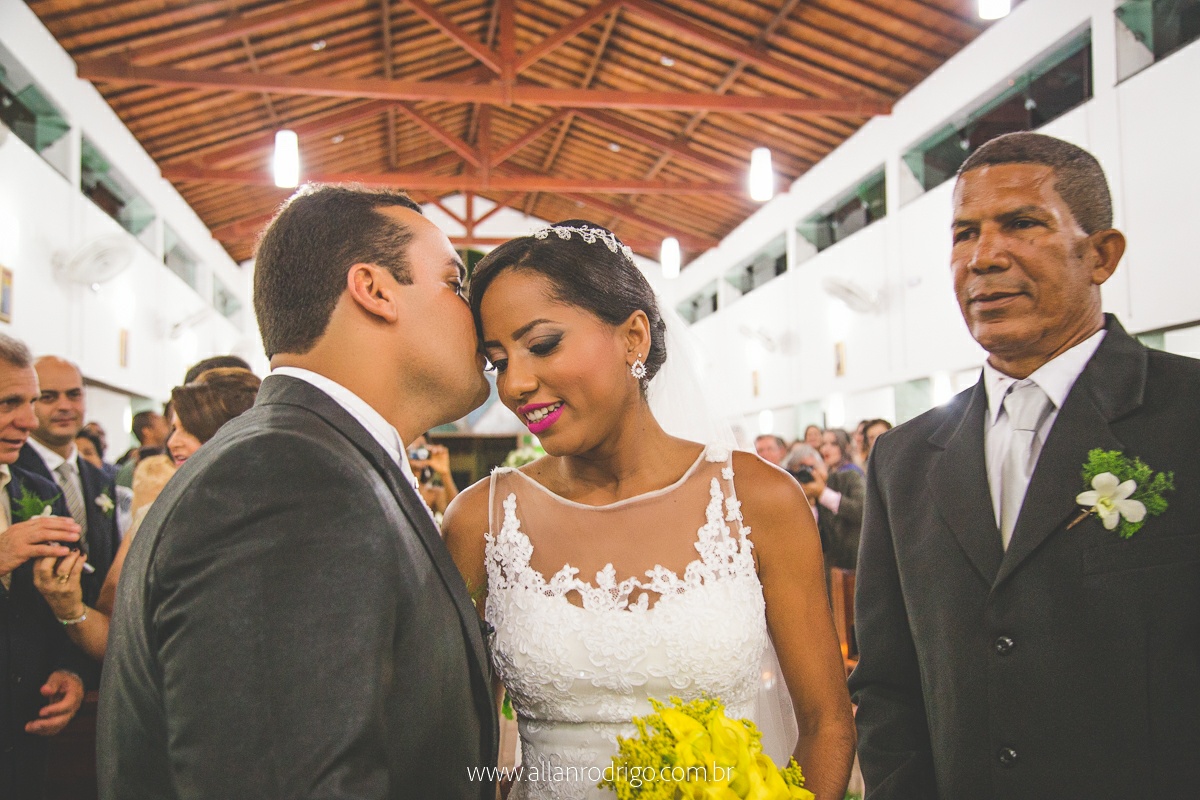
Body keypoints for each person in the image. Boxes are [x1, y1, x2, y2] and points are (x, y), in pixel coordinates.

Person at [98, 185, 498, 799]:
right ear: (374, 290)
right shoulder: (285, 479)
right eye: (454, 284)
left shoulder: (318, 458)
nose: (479, 317)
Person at [444, 221, 855, 800]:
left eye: (541, 346)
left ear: (633, 337)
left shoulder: (758, 499)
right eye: (497, 361)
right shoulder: (479, 521)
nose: (515, 383)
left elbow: (827, 724)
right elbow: (460, 750)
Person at [849, 131, 1200, 798]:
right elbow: (888, 683)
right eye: (964, 233)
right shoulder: (905, 458)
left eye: (1020, 224)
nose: (983, 258)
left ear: (1101, 254)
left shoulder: (1186, 415)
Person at [33, 368, 260, 662]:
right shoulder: (150, 518)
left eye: (191, 430)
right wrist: (71, 609)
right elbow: (111, 637)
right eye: (174, 428)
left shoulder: (273, 519)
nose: (174, 443)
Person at [0, 333, 87, 799]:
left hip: (26, 746)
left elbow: (57, 609)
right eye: (9, 402)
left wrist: (69, 668)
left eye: (30, 402)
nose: (28, 421)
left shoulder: (40, 491)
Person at [16, 358, 120, 627]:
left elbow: (108, 562)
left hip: (93, 634)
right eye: (48, 397)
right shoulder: (11, 471)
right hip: (31, 640)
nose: (64, 406)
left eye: (74, 395)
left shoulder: (101, 477)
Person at [787, 443, 864, 574]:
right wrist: (809, 503)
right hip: (827, 572)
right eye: (800, 472)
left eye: (810, 468)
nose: (807, 475)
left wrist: (822, 493)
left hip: (856, 565)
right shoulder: (798, 496)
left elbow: (862, 512)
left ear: (822, 463)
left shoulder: (848, 478)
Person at [114, 410, 169, 488]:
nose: (169, 428)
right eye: (164, 424)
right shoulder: (131, 469)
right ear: (147, 432)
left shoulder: (165, 461)